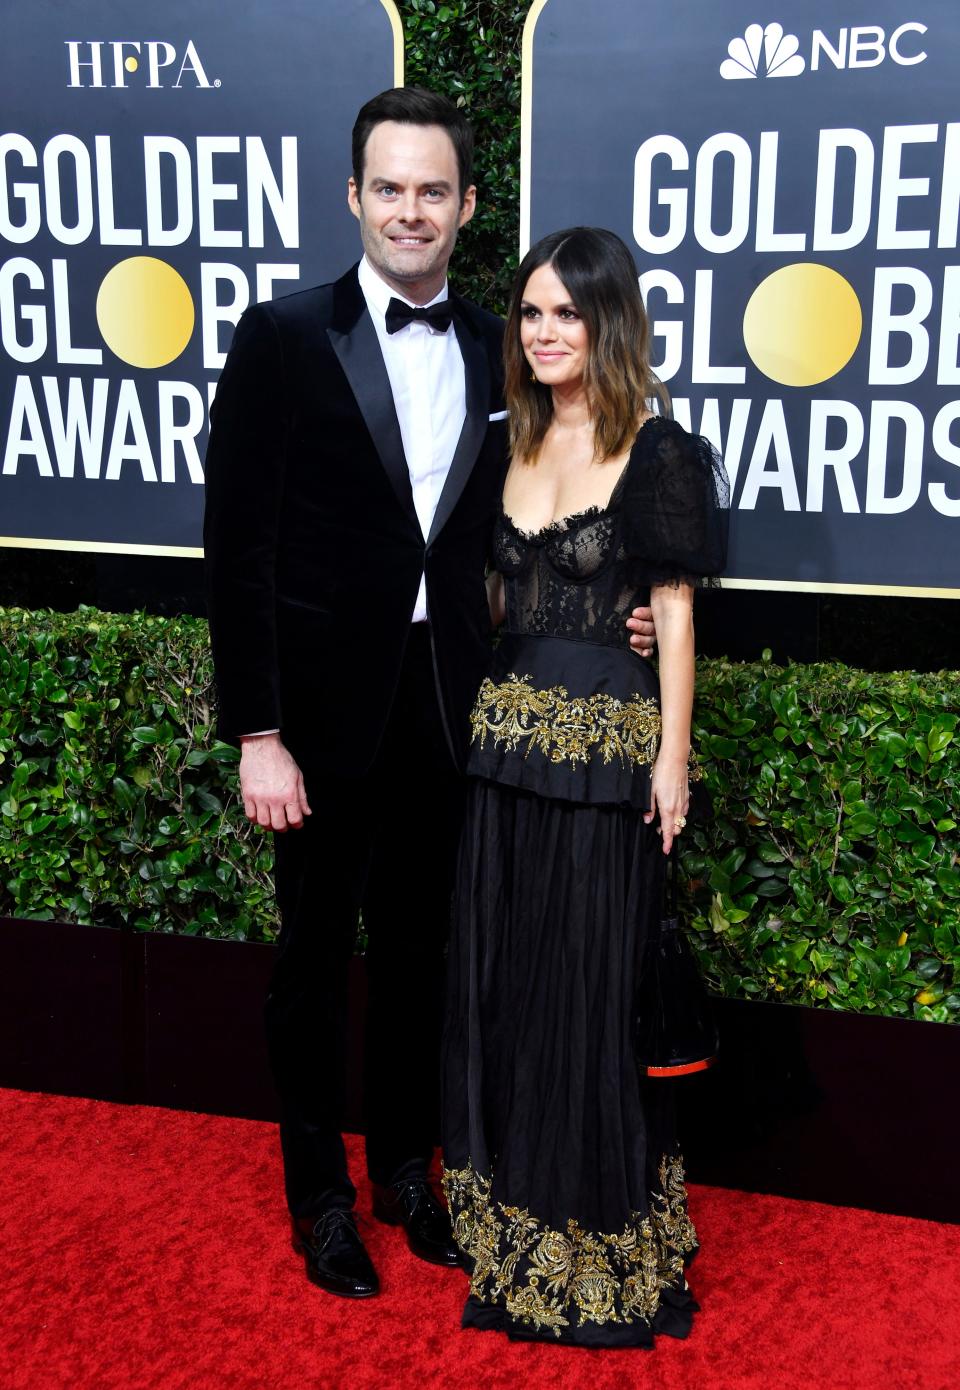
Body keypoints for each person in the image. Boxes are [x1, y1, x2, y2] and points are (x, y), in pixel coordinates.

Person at [204, 86, 661, 1301]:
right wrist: (258, 731)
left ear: (465, 207)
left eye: (434, 190)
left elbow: (545, 506)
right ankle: (320, 1199)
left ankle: (410, 1171)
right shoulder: (283, 336)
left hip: (455, 706)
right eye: (390, 187)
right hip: (317, 714)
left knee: (420, 956)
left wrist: (614, 600)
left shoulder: (493, 350)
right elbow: (236, 547)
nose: (412, 209)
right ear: (356, 197)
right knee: (311, 961)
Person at [441, 226, 729, 1348]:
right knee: (510, 986)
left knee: (591, 992)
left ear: (611, 322)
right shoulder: (499, 442)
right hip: (501, 752)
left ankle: (599, 1237)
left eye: (569, 312)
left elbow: (680, 614)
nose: (547, 331)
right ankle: (514, 1221)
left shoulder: (659, 451)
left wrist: (671, 760)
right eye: (531, 313)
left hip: (608, 761)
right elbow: (502, 608)